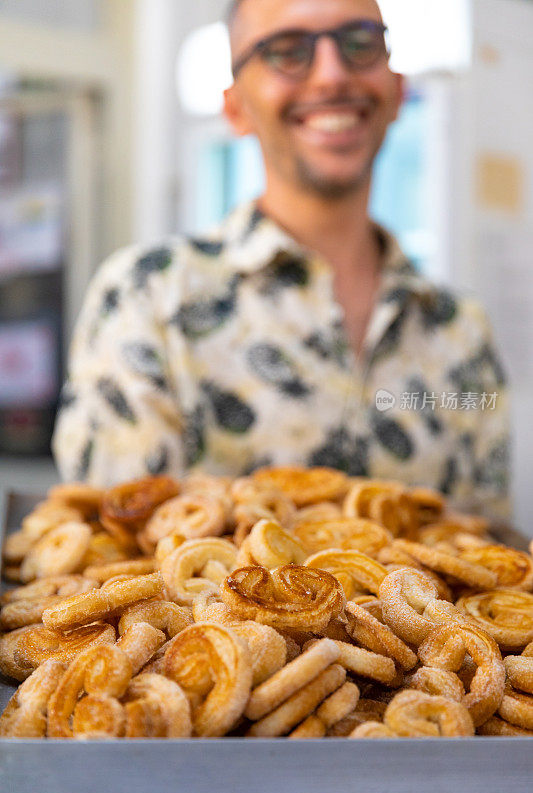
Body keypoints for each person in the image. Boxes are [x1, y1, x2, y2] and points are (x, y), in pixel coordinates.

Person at [52, 0, 510, 519]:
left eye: (360, 42)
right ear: (235, 108)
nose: (333, 74)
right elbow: (116, 557)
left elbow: (487, 556)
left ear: (397, 89)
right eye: (287, 51)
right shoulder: (146, 299)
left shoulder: (461, 331)